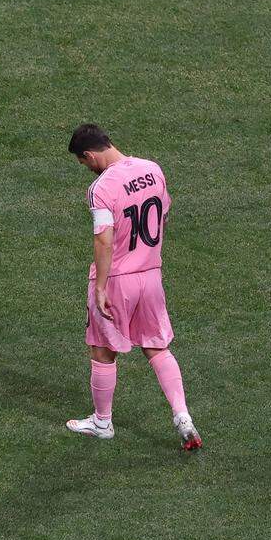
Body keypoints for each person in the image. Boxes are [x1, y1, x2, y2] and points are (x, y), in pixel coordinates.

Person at [65, 123, 202, 449]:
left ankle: (102, 422)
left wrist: (100, 287)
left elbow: (103, 237)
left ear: (88, 155)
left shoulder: (101, 188)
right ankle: (182, 415)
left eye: (83, 163)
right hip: (151, 276)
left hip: (118, 281)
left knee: (101, 349)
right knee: (157, 346)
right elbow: (164, 215)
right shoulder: (152, 169)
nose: (86, 169)